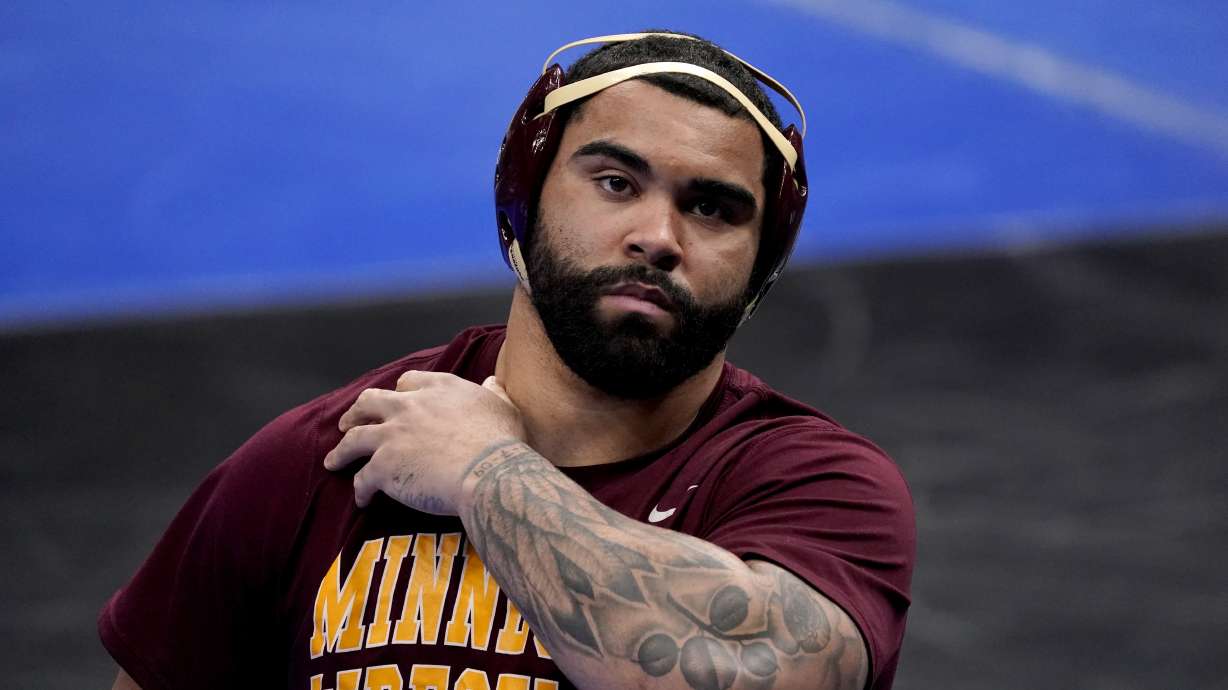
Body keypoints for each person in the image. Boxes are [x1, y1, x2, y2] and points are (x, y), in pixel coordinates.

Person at [100, 31, 915, 690]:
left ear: (761, 261)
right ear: (523, 200)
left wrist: (488, 472)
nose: (659, 238)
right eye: (615, 183)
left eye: (711, 207)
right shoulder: (325, 458)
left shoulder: (815, 486)